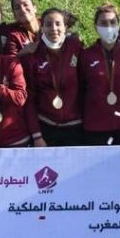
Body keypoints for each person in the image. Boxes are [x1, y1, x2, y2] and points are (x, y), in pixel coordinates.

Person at [24, 8, 85, 147]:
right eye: (48, 24)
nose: (54, 28)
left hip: (75, 127)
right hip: (46, 127)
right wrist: (37, 135)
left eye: (58, 24)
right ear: (42, 27)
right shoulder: (32, 54)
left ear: (65, 27)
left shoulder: (75, 47)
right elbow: (29, 99)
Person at [82, 2, 120, 145]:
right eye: (103, 23)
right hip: (95, 125)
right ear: (96, 26)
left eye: (112, 22)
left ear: (118, 25)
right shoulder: (86, 55)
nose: (108, 27)